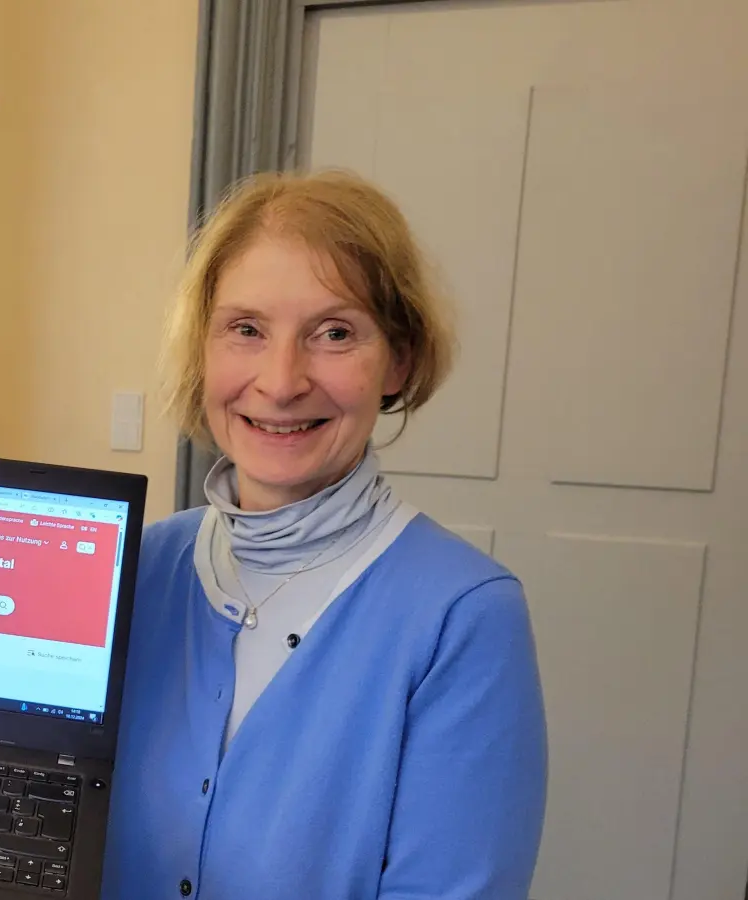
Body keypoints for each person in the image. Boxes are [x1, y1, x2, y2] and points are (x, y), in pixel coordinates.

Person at [100, 170, 548, 899]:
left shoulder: (462, 616)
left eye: (334, 333)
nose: (281, 382)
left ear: (398, 361)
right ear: (202, 350)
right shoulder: (140, 569)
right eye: (246, 330)